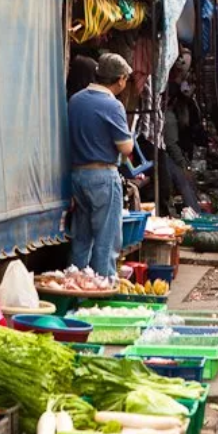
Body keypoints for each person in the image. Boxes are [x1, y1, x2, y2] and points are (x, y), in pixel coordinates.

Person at [68, 53, 134, 276]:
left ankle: (76, 285)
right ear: (121, 79)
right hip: (103, 177)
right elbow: (126, 148)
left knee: (82, 238)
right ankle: (104, 287)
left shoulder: (75, 100)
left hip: (77, 176)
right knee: (106, 240)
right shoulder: (112, 105)